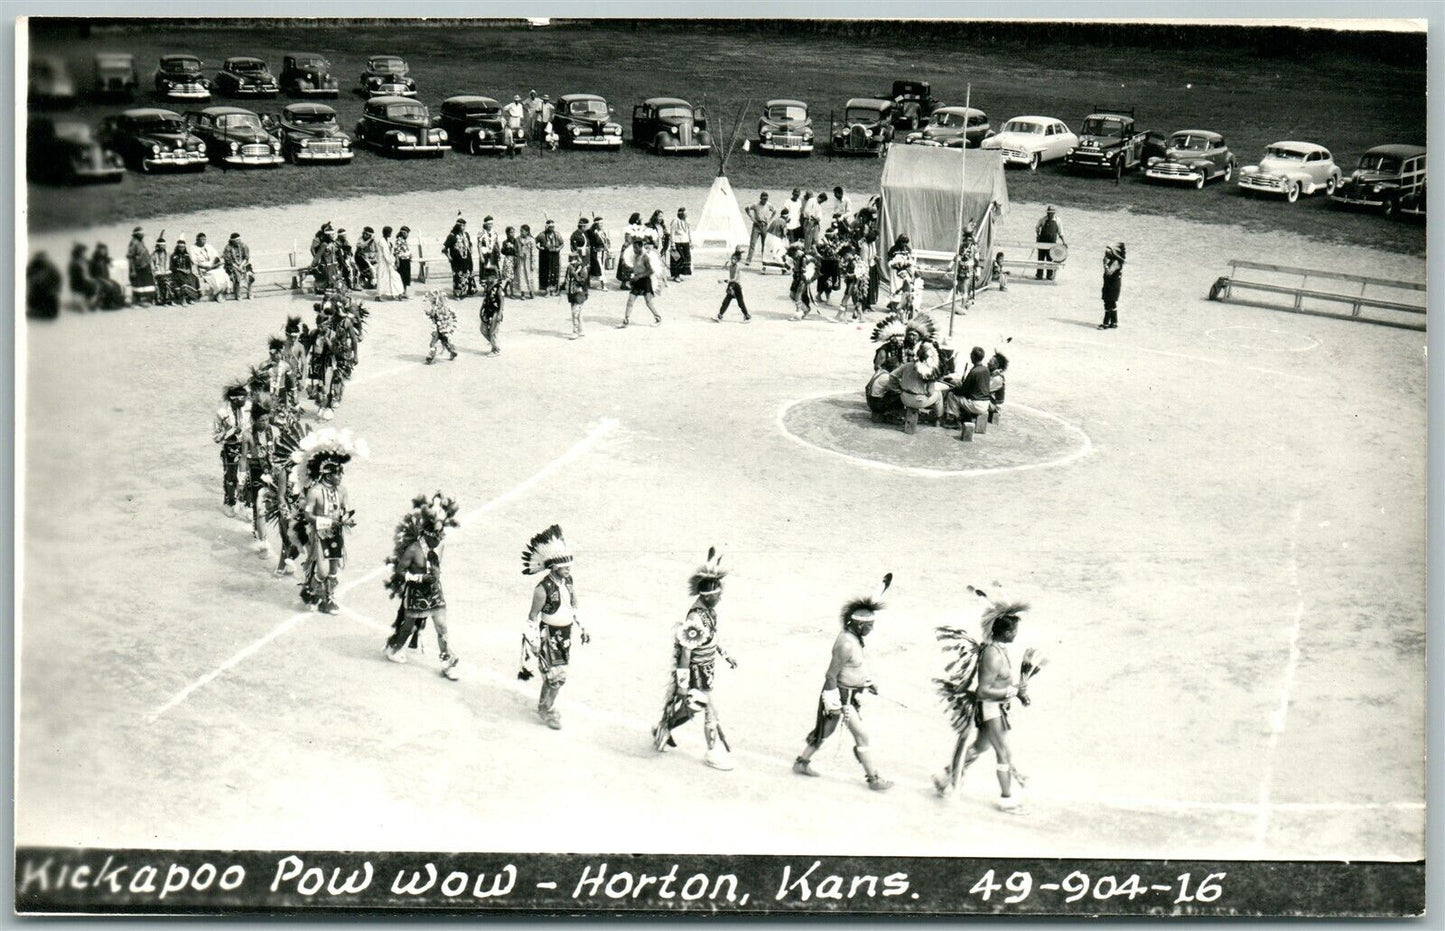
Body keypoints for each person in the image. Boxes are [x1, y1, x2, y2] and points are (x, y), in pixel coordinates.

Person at [792, 574, 895, 791]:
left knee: (827, 732)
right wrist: (831, 702)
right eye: (869, 625)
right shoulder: (846, 644)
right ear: (859, 625)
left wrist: (866, 682)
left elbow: (854, 667)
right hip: (841, 697)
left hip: (849, 696)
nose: (872, 629)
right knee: (858, 735)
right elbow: (831, 675)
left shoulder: (854, 638)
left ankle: (802, 762)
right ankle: (874, 779)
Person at [932, 590, 1032, 813]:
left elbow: (1000, 684)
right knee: (1003, 753)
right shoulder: (993, 655)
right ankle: (1007, 800)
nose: (1016, 634)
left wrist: (1018, 693)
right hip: (990, 709)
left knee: (981, 746)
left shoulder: (999, 650)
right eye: (1014, 631)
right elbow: (983, 691)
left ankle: (945, 776)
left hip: (996, 708)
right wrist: (1013, 692)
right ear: (1006, 632)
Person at [652, 548, 737, 770]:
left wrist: (725, 655)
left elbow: (711, 637)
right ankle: (712, 752)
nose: (720, 598)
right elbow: (686, 653)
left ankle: (664, 727)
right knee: (709, 710)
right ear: (708, 595)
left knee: (694, 708)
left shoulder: (709, 612)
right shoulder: (695, 617)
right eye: (718, 595)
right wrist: (682, 686)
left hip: (707, 668)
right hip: (697, 671)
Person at [383, 493, 462, 680]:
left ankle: (446, 662)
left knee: (442, 626)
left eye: (440, 535)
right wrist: (420, 578)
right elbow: (400, 572)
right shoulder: (413, 550)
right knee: (408, 627)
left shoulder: (440, 545)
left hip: (434, 592)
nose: (439, 538)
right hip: (416, 594)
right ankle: (393, 648)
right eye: (436, 535)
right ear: (427, 534)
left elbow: (436, 565)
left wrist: (435, 576)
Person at [520, 524, 589, 730]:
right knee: (556, 678)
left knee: (555, 677)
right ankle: (546, 709)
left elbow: (574, 605)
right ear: (554, 567)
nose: (568, 570)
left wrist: (583, 627)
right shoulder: (542, 589)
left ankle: (544, 706)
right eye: (565, 567)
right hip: (547, 636)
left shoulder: (568, 581)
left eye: (569, 567)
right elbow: (532, 617)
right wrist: (533, 642)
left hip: (564, 636)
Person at [294, 427, 363, 615]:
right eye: (336, 473)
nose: (340, 477)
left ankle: (328, 600)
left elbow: (345, 510)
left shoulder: (342, 491)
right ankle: (310, 592)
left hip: (336, 534)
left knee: (333, 569)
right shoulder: (315, 492)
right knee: (322, 571)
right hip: (319, 534)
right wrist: (327, 522)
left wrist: (347, 519)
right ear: (326, 474)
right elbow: (308, 516)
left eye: (340, 473)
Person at [212, 381, 249, 517]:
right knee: (230, 476)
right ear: (234, 400)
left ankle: (245, 503)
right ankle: (229, 502)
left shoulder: (249, 409)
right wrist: (230, 431)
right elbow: (216, 437)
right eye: (241, 399)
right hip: (230, 447)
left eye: (245, 398)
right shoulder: (222, 413)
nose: (244, 402)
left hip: (247, 446)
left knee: (247, 476)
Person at [618, 239, 662, 328]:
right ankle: (626, 321)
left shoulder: (645, 257)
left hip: (645, 281)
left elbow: (651, 271)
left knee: (648, 302)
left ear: (641, 247)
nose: (634, 249)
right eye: (633, 247)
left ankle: (658, 318)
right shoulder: (635, 256)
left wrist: (639, 276)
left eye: (636, 247)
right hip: (637, 281)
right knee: (630, 301)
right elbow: (636, 268)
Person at [716, 246, 752, 322]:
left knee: (740, 303)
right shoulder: (731, 266)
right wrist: (725, 265)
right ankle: (720, 315)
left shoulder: (737, 267)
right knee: (726, 301)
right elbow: (727, 268)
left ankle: (747, 316)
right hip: (731, 286)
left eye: (734, 259)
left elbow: (734, 279)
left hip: (736, 286)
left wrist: (723, 281)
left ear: (737, 260)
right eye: (732, 258)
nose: (732, 260)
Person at [423, 290, 460, 363]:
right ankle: (452, 351)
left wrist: (429, 314)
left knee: (433, 343)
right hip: (443, 329)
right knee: (445, 342)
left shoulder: (437, 309)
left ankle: (431, 356)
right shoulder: (444, 308)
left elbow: (431, 315)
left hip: (439, 329)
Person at [443, 218, 475, 298]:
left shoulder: (466, 234)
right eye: (462, 226)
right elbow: (444, 249)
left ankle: (467, 292)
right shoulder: (452, 236)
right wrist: (449, 257)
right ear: (458, 226)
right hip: (456, 260)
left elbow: (470, 244)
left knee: (467, 274)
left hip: (467, 258)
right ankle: (458, 294)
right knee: (458, 276)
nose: (463, 228)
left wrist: (470, 249)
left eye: (464, 226)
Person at [89, 242, 126, 310]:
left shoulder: (104, 259)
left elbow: (110, 261)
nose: (104, 251)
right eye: (102, 250)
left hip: (106, 278)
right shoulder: (94, 261)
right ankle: (109, 304)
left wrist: (110, 261)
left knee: (117, 285)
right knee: (110, 286)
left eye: (105, 250)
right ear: (98, 251)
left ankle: (118, 302)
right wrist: (102, 280)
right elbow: (93, 274)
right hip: (99, 279)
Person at [193, 233, 229, 301]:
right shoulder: (193, 248)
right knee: (214, 275)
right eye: (201, 239)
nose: (203, 241)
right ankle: (218, 292)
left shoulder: (209, 246)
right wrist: (206, 267)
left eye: (204, 239)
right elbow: (195, 262)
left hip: (212, 266)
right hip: (204, 268)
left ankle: (223, 291)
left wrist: (213, 265)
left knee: (222, 272)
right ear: (197, 240)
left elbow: (216, 256)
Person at [479, 264, 505, 355]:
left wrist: (500, 313)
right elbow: (485, 299)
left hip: (495, 311)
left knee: (493, 331)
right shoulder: (487, 286)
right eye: (486, 277)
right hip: (487, 311)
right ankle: (496, 345)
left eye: (489, 277)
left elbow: (502, 301)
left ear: (493, 277)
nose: (487, 279)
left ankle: (495, 349)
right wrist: (481, 309)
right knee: (483, 329)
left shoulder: (498, 288)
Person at [27, 252, 62, 320]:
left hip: (48, 293)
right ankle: (39, 309)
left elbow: (57, 280)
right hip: (38, 293)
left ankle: (43, 310)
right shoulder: (33, 267)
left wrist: (54, 289)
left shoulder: (51, 268)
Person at [564, 249, 590, 339]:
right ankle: (581, 330)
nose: (571, 263)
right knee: (577, 314)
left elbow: (583, 282)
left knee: (575, 312)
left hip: (580, 294)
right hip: (571, 293)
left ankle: (575, 331)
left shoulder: (583, 269)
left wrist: (574, 274)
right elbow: (566, 279)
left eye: (573, 261)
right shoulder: (569, 268)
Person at [744, 192, 774, 266]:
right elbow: (747, 208)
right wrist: (752, 218)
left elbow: (774, 211)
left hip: (765, 226)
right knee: (753, 243)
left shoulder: (769, 205)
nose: (765, 200)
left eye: (766, 199)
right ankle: (748, 260)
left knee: (764, 244)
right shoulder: (756, 204)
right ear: (760, 198)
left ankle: (764, 259)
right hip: (757, 225)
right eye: (763, 199)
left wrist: (769, 220)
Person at [1099, 242, 1125, 329]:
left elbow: (1109, 273)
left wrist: (1105, 264)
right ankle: (1114, 322)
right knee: (1112, 303)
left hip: (1112, 286)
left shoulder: (1116, 262)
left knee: (1108, 303)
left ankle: (1105, 323)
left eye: (1108, 252)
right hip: (1113, 285)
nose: (1106, 253)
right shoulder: (1116, 261)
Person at [1035, 205, 1064, 281]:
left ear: (1054, 213)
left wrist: (1064, 242)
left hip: (1052, 243)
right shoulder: (1043, 219)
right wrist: (1038, 235)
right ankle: (1039, 275)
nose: (1049, 214)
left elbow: (1060, 233)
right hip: (1042, 242)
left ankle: (1049, 275)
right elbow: (1037, 227)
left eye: (1051, 213)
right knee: (1040, 259)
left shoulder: (1058, 220)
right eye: (1048, 212)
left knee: (1050, 259)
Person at [127, 227, 155, 305]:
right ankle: (137, 301)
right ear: (137, 234)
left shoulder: (141, 242)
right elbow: (130, 257)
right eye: (141, 234)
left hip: (145, 266)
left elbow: (143, 253)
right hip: (138, 268)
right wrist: (132, 270)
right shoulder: (133, 243)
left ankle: (147, 299)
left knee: (147, 283)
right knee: (138, 285)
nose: (143, 235)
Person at [375, 226, 404, 300]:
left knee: (393, 277)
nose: (391, 234)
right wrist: (392, 263)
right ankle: (378, 296)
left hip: (387, 263)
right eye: (390, 233)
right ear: (387, 233)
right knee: (383, 279)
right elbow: (386, 255)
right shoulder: (382, 242)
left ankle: (396, 293)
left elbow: (388, 253)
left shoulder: (386, 241)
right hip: (383, 264)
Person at [168, 239, 201, 304]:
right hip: (177, 273)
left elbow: (189, 266)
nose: (181, 249)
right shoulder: (173, 256)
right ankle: (183, 299)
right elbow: (171, 267)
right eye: (180, 247)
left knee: (194, 278)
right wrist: (180, 269)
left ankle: (191, 298)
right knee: (182, 280)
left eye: (183, 247)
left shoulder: (187, 255)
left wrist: (188, 270)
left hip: (186, 272)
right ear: (177, 247)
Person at [223, 232, 254, 301]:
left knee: (250, 276)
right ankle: (238, 293)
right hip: (231, 266)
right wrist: (237, 267)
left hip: (243, 264)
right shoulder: (228, 248)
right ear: (232, 241)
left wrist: (241, 265)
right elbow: (228, 261)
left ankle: (250, 292)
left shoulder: (244, 246)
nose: (238, 242)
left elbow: (246, 257)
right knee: (237, 276)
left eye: (239, 240)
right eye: (236, 241)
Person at [537, 219, 564, 296]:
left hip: (555, 256)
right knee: (546, 273)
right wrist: (540, 248)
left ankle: (554, 290)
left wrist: (558, 248)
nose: (552, 228)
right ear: (547, 227)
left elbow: (562, 243)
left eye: (553, 227)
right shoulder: (542, 235)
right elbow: (535, 242)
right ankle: (546, 290)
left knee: (554, 272)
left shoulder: (557, 234)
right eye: (550, 227)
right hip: (545, 256)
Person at [618, 212, 645, 287]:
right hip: (630, 248)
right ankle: (624, 284)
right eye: (640, 219)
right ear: (637, 220)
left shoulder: (638, 228)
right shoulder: (629, 228)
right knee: (627, 266)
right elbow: (628, 240)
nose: (641, 220)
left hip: (635, 247)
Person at [587, 217, 610, 290]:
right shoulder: (592, 232)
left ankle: (589, 283)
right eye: (600, 223)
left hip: (602, 252)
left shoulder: (602, 232)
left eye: (602, 223)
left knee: (601, 268)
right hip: (595, 253)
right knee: (600, 268)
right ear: (596, 224)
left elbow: (606, 242)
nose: (602, 225)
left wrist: (607, 248)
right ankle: (603, 285)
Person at [150, 233, 173, 305]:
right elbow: (152, 266)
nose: (162, 247)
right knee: (164, 282)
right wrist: (155, 272)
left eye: (164, 245)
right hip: (158, 273)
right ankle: (163, 300)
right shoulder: (153, 255)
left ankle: (170, 300)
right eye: (161, 245)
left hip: (166, 272)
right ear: (157, 246)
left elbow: (171, 264)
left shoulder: (168, 254)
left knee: (172, 281)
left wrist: (168, 271)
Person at [516, 224, 537, 299]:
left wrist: (533, 263)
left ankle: (531, 292)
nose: (521, 232)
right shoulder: (518, 239)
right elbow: (515, 249)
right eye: (520, 231)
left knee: (530, 276)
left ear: (527, 232)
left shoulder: (531, 240)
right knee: (522, 276)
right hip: (520, 261)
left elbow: (533, 252)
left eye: (522, 231)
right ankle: (523, 293)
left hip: (528, 261)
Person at [501, 226, 521, 299]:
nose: (512, 234)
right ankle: (512, 293)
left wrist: (513, 247)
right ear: (507, 233)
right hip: (508, 259)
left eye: (513, 232)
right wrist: (506, 248)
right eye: (510, 232)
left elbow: (518, 250)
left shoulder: (516, 241)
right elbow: (502, 252)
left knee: (512, 276)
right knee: (510, 277)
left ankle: (504, 289)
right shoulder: (505, 242)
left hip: (515, 259)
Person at [392, 226, 413, 296]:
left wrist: (410, 255)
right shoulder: (399, 240)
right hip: (402, 261)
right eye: (407, 233)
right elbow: (396, 252)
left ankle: (404, 292)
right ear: (403, 233)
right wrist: (397, 261)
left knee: (406, 277)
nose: (407, 235)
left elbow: (405, 250)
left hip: (406, 260)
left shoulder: (404, 240)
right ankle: (400, 293)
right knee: (402, 277)